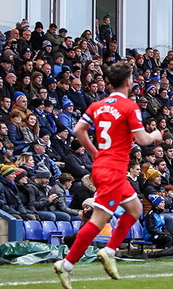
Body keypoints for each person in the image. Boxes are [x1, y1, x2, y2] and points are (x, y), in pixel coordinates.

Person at [53, 63, 163, 289]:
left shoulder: (97, 105)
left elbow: (78, 130)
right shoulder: (129, 106)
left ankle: (109, 251)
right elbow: (142, 140)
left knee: (135, 209)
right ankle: (67, 264)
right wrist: (155, 135)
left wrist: (94, 152)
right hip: (113, 170)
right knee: (98, 220)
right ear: (128, 82)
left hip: (104, 167)